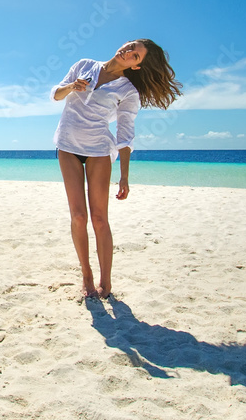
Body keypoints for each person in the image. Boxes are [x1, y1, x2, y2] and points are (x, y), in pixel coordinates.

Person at [51, 39, 182, 299]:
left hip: (99, 150)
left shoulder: (128, 91)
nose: (128, 52)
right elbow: (56, 94)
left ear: (136, 67)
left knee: (99, 219)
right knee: (78, 217)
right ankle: (86, 275)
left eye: (135, 55)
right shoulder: (84, 65)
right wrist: (71, 86)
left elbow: (125, 134)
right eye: (131, 46)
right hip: (67, 145)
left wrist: (124, 176)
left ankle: (106, 281)